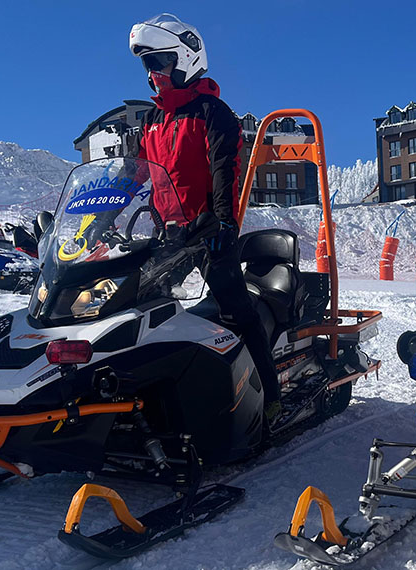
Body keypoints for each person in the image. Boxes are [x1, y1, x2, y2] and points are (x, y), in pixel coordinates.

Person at [129, 14, 282, 421]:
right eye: (147, 65)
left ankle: (270, 396)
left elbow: (224, 170)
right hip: (170, 235)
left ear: (184, 60)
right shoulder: (152, 120)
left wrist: (224, 223)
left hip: (209, 231)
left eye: (158, 62)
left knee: (237, 309)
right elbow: (133, 174)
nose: (152, 73)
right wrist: (98, 219)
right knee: (138, 305)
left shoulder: (213, 112)